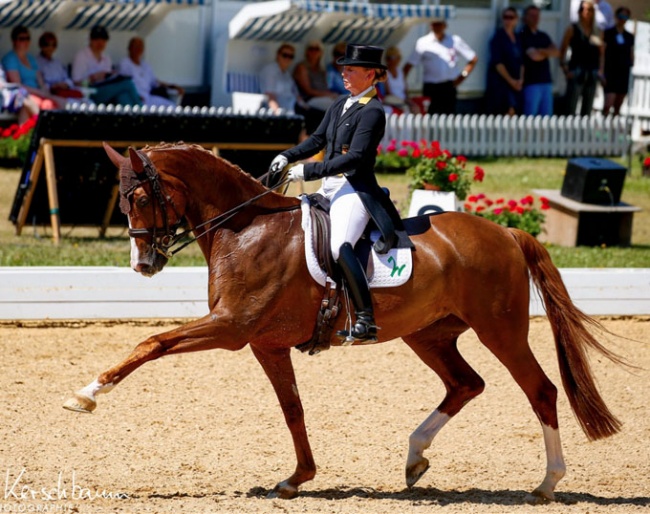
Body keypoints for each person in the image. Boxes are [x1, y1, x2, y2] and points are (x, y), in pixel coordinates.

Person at [268, 44, 413, 342]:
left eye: (350, 69)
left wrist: (309, 172)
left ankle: (365, 319)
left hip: (354, 188)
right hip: (330, 187)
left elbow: (355, 159)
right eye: (343, 68)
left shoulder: (373, 111)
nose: (343, 74)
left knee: (339, 245)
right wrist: (287, 156)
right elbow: (317, 139)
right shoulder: (339, 103)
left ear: (370, 73)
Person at [403, 18, 478, 115]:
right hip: (430, 87)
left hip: (448, 86)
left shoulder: (454, 40)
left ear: (445, 26)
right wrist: (403, 88)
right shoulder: (423, 42)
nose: (437, 27)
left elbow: (473, 58)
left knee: (448, 116)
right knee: (430, 115)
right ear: (430, 26)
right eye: (434, 24)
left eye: (439, 24)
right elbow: (409, 65)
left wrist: (462, 76)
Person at [71, 25, 142, 106]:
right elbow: (75, 83)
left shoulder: (106, 58)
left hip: (105, 90)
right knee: (128, 83)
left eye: (103, 40)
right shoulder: (81, 56)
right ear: (90, 40)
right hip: (90, 92)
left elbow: (109, 80)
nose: (100, 42)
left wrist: (112, 75)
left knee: (123, 97)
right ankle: (143, 113)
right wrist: (93, 78)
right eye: (96, 39)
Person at [2, 25, 66, 111]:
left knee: (60, 103)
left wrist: (47, 94)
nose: (26, 42)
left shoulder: (31, 58)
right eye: (22, 39)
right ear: (14, 41)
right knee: (43, 106)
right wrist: (40, 93)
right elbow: (18, 86)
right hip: (23, 96)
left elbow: (40, 82)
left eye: (27, 38)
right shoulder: (10, 59)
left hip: (38, 93)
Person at [560, 0, 604, 116]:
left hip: (592, 71)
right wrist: (565, 69)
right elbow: (563, 50)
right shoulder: (572, 29)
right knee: (571, 106)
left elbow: (601, 53)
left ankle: (582, 132)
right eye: (583, 9)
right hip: (576, 69)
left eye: (589, 10)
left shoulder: (597, 31)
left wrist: (600, 70)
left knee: (587, 107)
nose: (586, 12)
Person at [118, 37, 184, 107]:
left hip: (148, 98)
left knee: (172, 107)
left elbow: (155, 82)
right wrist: (135, 97)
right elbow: (123, 84)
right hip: (134, 99)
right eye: (135, 46)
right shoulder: (124, 64)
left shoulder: (146, 66)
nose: (138, 49)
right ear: (129, 48)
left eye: (140, 47)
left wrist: (172, 86)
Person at [519, 5, 560, 116]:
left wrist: (541, 50)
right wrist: (547, 52)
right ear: (525, 17)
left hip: (546, 82)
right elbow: (534, 56)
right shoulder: (522, 34)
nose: (535, 18)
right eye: (532, 15)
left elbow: (556, 52)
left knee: (546, 118)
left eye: (537, 15)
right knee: (530, 117)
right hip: (531, 83)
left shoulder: (543, 35)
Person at [293, 40, 338, 133]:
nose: (314, 52)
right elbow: (308, 91)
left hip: (323, 98)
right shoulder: (302, 67)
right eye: (311, 49)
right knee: (336, 106)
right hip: (308, 100)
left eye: (317, 49)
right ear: (306, 51)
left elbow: (326, 87)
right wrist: (328, 94)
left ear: (321, 52)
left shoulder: (322, 69)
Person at [484, 7, 523, 115]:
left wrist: (520, 80)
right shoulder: (498, 38)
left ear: (516, 19)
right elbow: (498, 63)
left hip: (516, 84)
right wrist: (511, 81)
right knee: (506, 112)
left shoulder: (518, 38)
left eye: (511, 17)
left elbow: (522, 62)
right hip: (501, 84)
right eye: (506, 17)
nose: (508, 20)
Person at [602, 7, 635, 116]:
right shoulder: (608, 33)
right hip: (611, 72)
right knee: (608, 103)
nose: (622, 19)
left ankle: (613, 131)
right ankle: (601, 129)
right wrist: (602, 71)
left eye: (625, 17)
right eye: (621, 16)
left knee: (618, 106)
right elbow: (602, 53)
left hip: (623, 72)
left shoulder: (629, 36)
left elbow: (631, 53)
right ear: (616, 17)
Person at [35, 31, 86, 100]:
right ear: (41, 45)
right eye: (47, 44)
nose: (50, 48)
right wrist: (53, 86)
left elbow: (68, 79)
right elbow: (38, 84)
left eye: (53, 45)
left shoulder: (57, 63)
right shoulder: (36, 62)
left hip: (64, 92)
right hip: (50, 94)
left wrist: (65, 84)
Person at [260, 43, 302, 113]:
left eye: (291, 56)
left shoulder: (287, 74)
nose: (287, 58)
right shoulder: (270, 71)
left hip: (292, 107)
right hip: (280, 109)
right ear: (278, 55)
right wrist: (278, 113)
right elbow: (270, 96)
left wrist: (305, 106)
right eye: (285, 55)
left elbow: (296, 94)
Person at [383, 46, 418, 114]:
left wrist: (409, 102)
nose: (395, 60)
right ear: (387, 59)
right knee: (406, 109)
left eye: (397, 57)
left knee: (416, 108)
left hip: (403, 100)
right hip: (393, 101)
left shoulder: (401, 72)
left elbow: (405, 91)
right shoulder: (385, 73)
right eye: (392, 57)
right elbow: (388, 92)